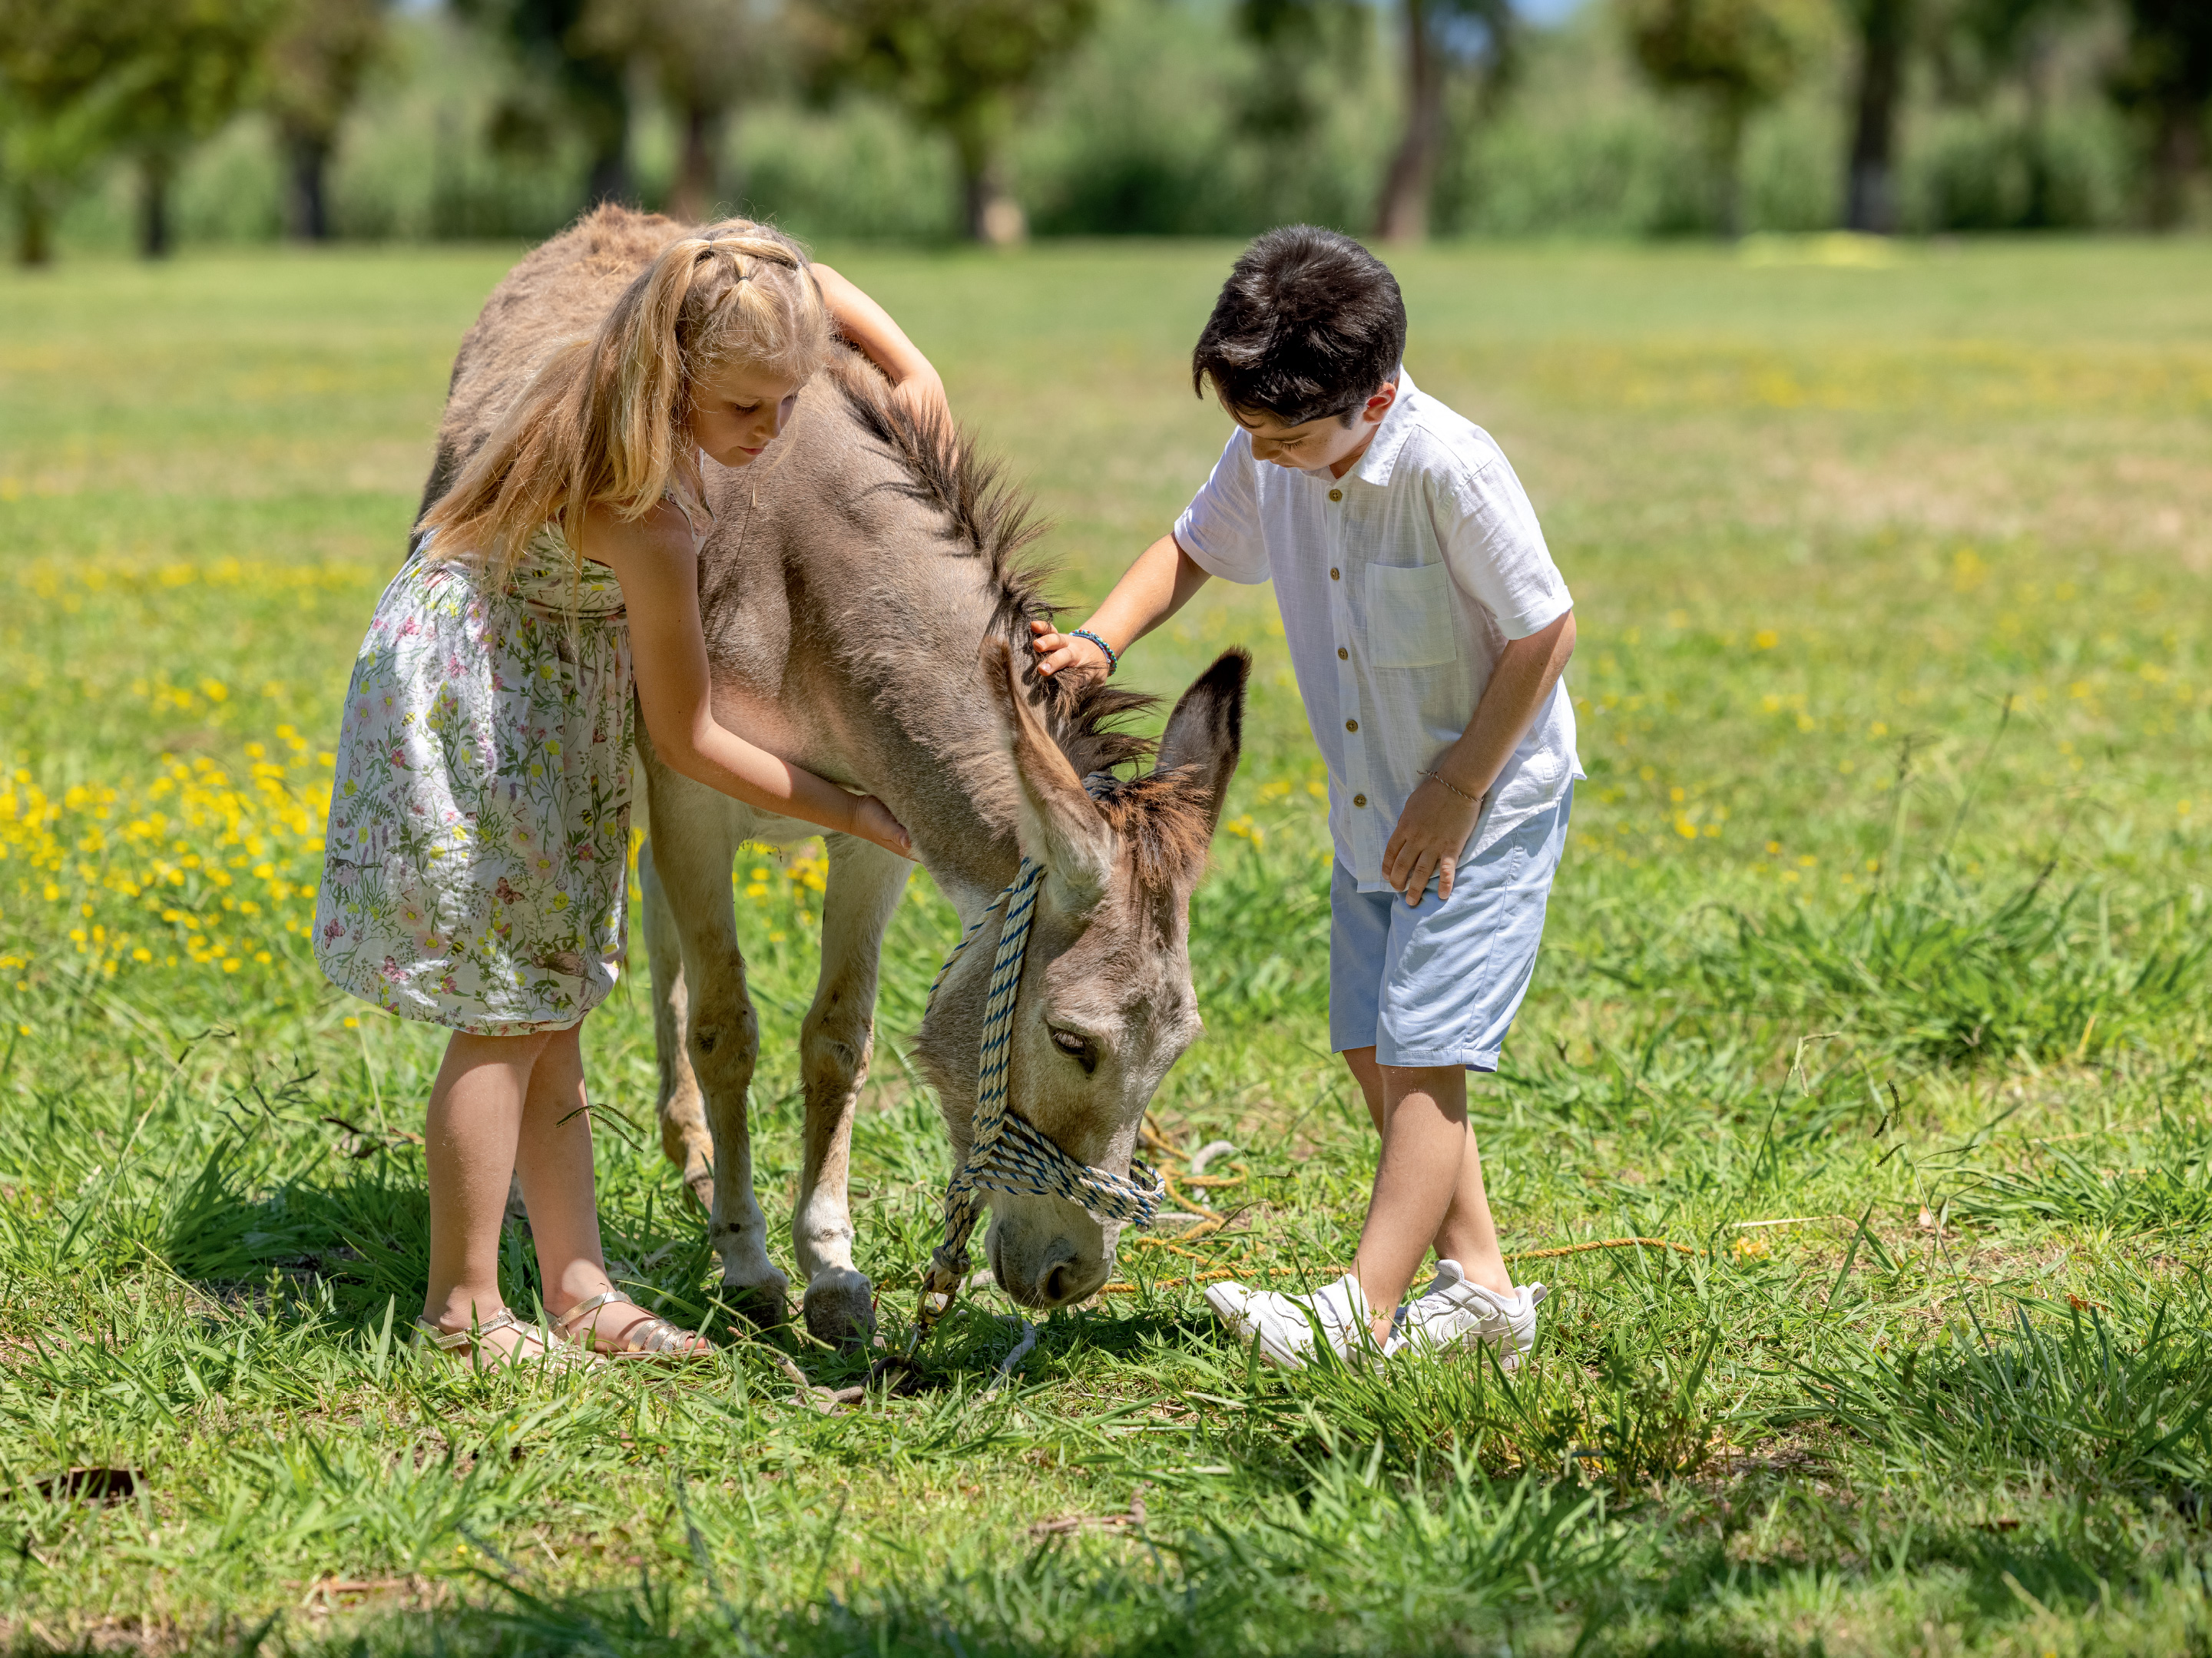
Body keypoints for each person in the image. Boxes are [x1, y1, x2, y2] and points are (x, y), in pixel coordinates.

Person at [315, 222, 934, 1371]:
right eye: (750, 410)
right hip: (488, 711)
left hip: (535, 701)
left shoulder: (621, 357)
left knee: (552, 1009)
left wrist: (912, 368)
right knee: (504, 1022)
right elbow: (690, 739)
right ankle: (464, 1313)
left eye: (793, 401)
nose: (775, 433)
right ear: (681, 375)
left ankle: (579, 1288)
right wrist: (852, 811)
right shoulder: (647, 514)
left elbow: (811, 284)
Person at [1029, 226, 1579, 1371]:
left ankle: (1358, 1316)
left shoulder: (1447, 466)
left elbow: (1544, 630)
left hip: (1482, 805)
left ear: (1374, 399)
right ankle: (1480, 1293)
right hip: (1372, 806)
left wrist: (1462, 785)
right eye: (1246, 431)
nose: (1263, 456)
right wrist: (1097, 638)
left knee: (1426, 1049)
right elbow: (1189, 547)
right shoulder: (1271, 453)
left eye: (1286, 435)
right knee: (1371, 1042)